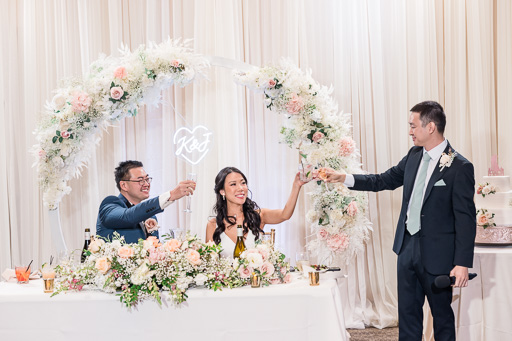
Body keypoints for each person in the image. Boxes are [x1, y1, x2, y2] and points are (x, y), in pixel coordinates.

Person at [315, 101, 476, 341]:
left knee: (442, 317)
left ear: (430, 127)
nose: (410, 131)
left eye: (413, 126)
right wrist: (344, 178)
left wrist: (462, 263)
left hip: (439, 256)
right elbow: (382, 180)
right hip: (407, 248)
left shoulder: (460, 166)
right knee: (408, 317)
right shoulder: (413, 156)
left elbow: (466, 219)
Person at [205, 167, 306, 258]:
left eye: (243, 183)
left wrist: (296, 186)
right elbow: (210, 264)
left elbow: (285, 214)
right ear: (222, 191)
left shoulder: (258, 216)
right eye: (233, 184)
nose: (241, 188)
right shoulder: (213, 225)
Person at [96, 160, 196, 244]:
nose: (146, 184)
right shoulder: (110, 203)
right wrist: (171, 195)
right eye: (140, 180)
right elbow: (128, 216)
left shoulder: (150, 216)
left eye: (147, 179)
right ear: (123, 185)